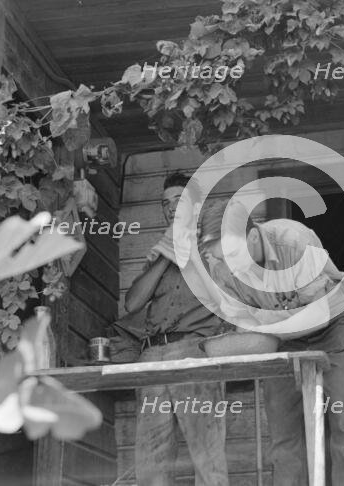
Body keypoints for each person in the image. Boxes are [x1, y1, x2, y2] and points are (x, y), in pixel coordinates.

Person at [198, 199, 344, 486]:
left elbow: (318, 317)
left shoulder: (295, 241)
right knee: (283, 436)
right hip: (282, 340)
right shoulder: (221, 268)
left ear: (253, 237)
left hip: (333, 330)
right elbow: (242, 322)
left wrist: (264, 326)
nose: (228, 266)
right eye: (220, 258)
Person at [124, 173, 229, 486]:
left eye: (179, 201)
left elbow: (222, 297)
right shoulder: (160, 250)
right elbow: (132, 303)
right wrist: (164, 257)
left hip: (193, 352)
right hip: (153, 354)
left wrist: (183, 250)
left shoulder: (215, 245)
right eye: (165, 203)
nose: (171, 208)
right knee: (151, 463)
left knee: (207, 457)